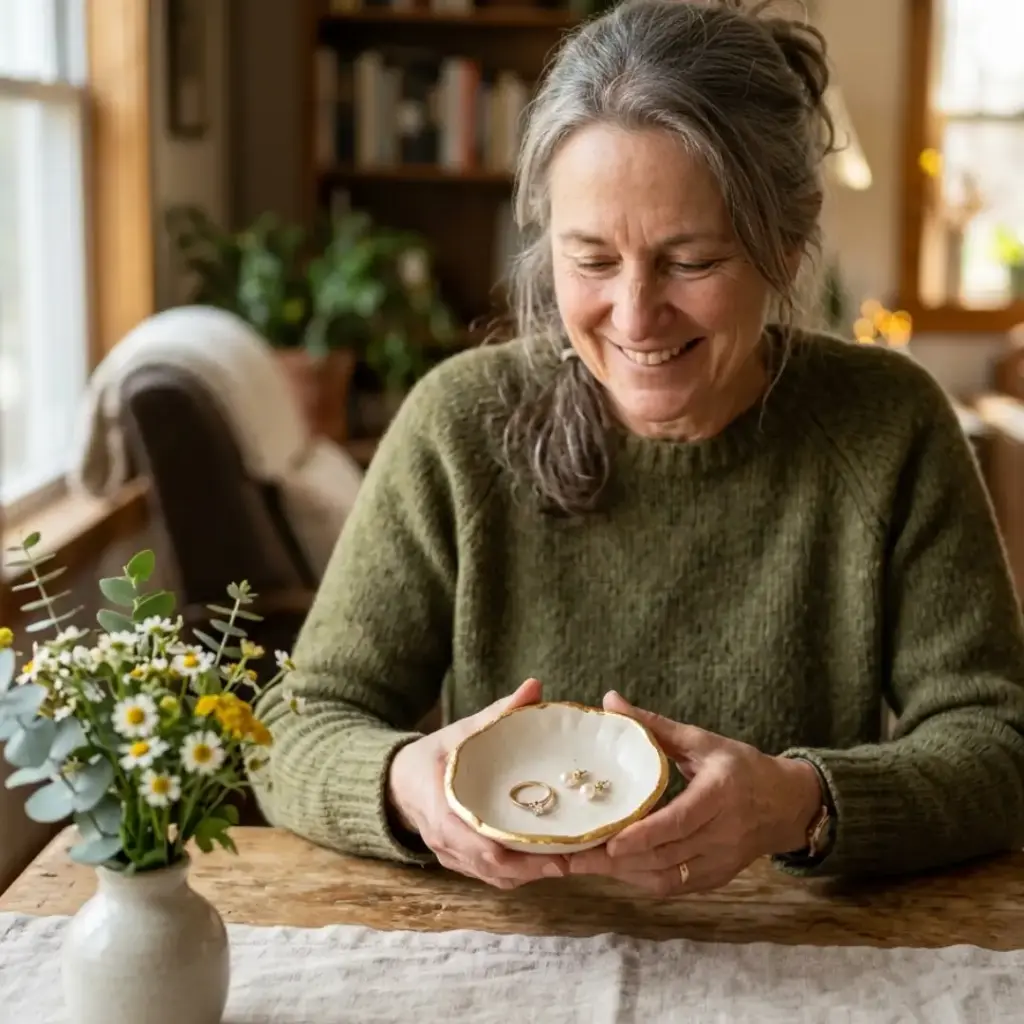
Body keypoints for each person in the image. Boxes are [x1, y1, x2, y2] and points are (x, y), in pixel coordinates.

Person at [251, 0, 1024, 894]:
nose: (633, 316)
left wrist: (797, 801)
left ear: (787, 241)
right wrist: (402, 787)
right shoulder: (457, 424)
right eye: (590, 259)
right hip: (516, 953)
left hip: (790, 958)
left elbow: (999, 746)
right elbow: (297, 728)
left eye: (690, 262)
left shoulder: (890, 427)